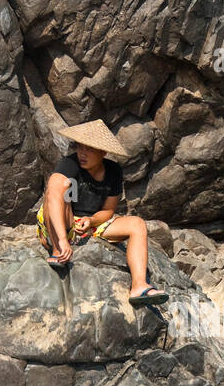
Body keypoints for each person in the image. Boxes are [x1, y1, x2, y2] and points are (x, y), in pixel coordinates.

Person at [39, 119, 168, 307]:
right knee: (58, 189)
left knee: (137, 224)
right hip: (60, 221)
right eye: (80, 147)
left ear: (103, 152)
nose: (82, 153)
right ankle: (58, 251)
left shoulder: (113, 171)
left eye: (89, 149)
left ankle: (139, 286)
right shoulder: (69, 163)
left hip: (88, 225)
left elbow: (108, 210)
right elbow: (53, 196)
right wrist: (62, 240)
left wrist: (90, 220)